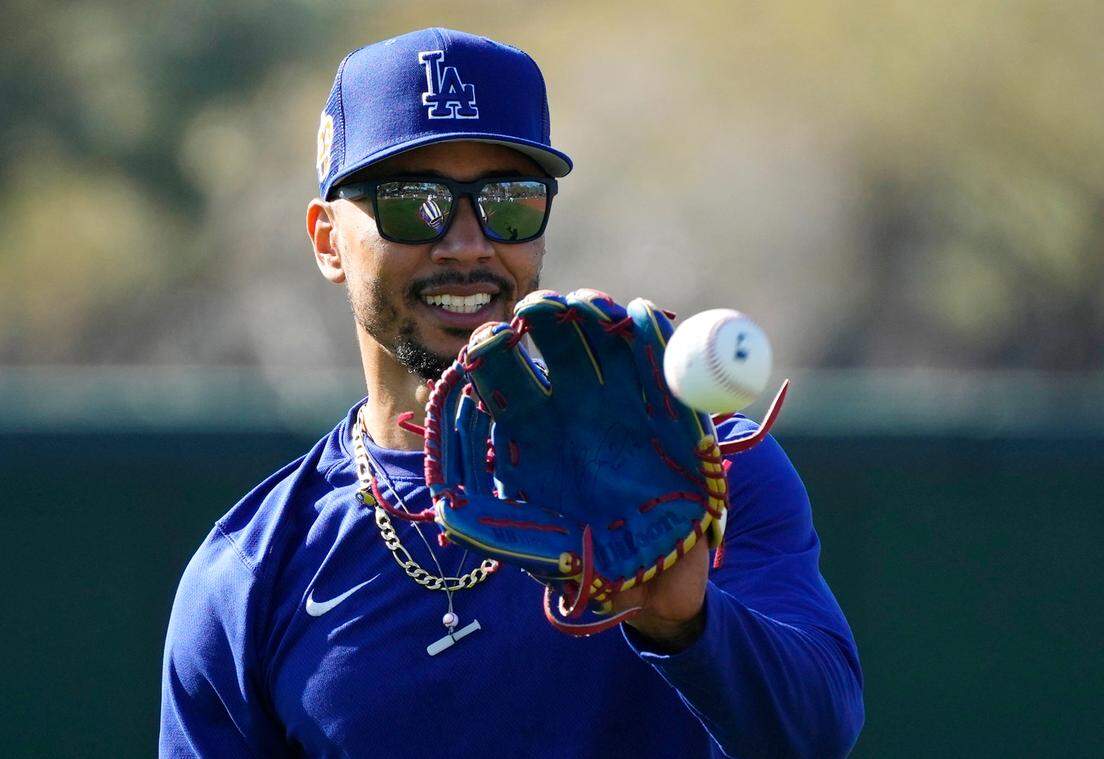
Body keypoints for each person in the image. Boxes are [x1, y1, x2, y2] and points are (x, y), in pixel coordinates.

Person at [160, 27, 864, 758]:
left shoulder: (696, 468)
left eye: (510, 203)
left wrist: (684, 621)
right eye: (414, 203)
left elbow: (818, 733)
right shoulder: (253, 575)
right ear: (327, 240)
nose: (468, 243)